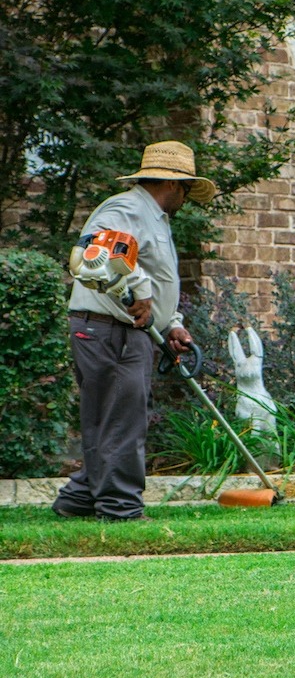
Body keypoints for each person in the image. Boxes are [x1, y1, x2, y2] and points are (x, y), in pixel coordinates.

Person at [53, 141, 217, 521]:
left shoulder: (151, 216)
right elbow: (96, 253)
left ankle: (78, 499)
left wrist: (170, 323)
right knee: (124, 420)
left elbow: (154, 276)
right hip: (110, 330)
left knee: (109, 417)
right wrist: (140, 293)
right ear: (173, 185)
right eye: (187, 189)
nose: (186, 198)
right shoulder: (125, 208)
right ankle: (120, 508)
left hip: (124, 330)